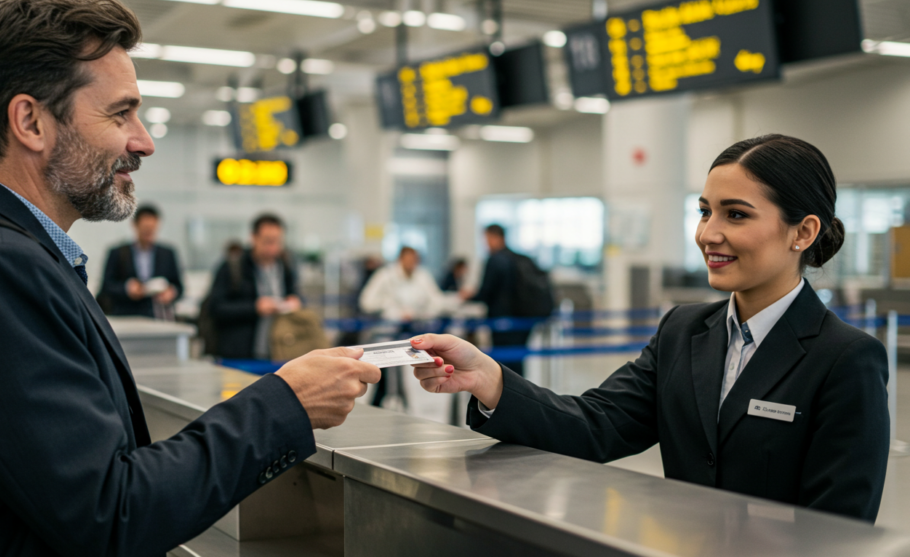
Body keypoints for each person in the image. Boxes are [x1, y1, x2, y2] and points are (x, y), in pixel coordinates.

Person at [0, 0, 379, 555]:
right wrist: (286, 403)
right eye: (120, 114)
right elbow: (110, 513)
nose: (143, 141)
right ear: (30, 121)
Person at [412, 135, 888, 522]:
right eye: (704, 211)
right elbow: (596, 425)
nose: (708, 233)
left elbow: (839, 528)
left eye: (736, 214)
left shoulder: (844, 359)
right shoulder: (683, 332)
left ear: (802, 232)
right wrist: (487, 377)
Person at [206, 213, 301, 360]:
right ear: (253, 238)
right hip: (239, 354)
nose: (273, 247)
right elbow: (216, 307)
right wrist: (254, 308)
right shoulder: (233, 266)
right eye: (268, 241)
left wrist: (294, 301)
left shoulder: (285, 265)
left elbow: (294, 293)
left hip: (277, 350)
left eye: (277, 241)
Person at [359, 246, 446, 407]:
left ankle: (404, 404)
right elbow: (367, 301)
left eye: (414, 260)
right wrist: (391, 310)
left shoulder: (422, 277)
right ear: (400, 259)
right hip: (388, 334)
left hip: (414, 335)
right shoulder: (385, 276)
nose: (411, 263)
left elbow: (436, 302)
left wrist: (420, 313)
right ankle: (379, 403)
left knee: (408, 379)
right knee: (386, 376)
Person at [462, 224, 530, 376]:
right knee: (517, 362)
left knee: (504, 366)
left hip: (501, 321)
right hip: (521, 319)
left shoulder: (495, 260)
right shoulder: (517, 258)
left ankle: (508, 397)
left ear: (493, 237)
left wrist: (468, 297)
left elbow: (486, 292)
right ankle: (523, 396)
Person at [99, 204, 183, 319]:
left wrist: (171, 292)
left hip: (157, 315)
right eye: (145, 229)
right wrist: (127, 288)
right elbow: (106, 287)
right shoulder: (118, 253)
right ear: (135, 225)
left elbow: (179, 286)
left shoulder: (167, 254)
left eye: (152, 229)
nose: (148, 233)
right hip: (125, 315)